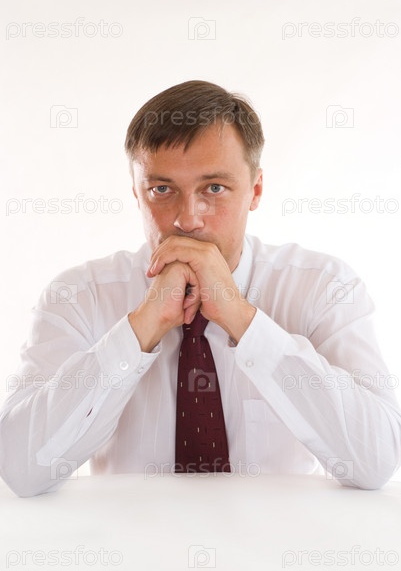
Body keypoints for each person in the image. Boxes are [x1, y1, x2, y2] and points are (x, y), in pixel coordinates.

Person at [1, 80, 400, 497]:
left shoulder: (324, 288)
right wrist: (139, 329)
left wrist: (244, 321)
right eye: (162, 189)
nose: (188, 219)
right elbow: (22, 470)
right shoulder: (79, 296)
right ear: (137, 194)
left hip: (277, 538)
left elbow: (375, 462)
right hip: (125, 537)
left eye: (214, 188)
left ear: (255, 190)